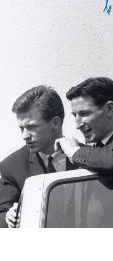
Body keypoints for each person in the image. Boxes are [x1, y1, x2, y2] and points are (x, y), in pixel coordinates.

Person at [0, 86, 78, 228]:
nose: (24, 136)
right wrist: (8, 217)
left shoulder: (87, 157)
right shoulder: (11, 166)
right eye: (21, 128)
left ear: (56, 122)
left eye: (31, 127)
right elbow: (1, 214)